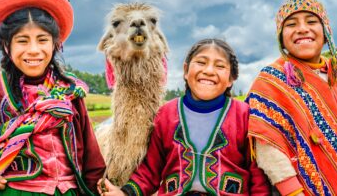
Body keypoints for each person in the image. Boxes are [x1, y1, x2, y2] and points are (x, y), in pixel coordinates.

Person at [0, 0, 105, 195]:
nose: (34, 50)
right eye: (22, 41)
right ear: (7, 46)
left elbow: (90, 156)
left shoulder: (69, 92)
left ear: (55, 45)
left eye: (42, 40)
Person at [98, 38, 270, 195]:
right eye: (201, 62)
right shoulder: (166, 114)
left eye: (220, 66)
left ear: (231, 79)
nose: (209, 71)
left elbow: (257, 174)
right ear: (186, 70)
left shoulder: (243, 115)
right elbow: (150, 171)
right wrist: (126, 193)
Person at [246, 0, 337, 195]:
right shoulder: (270, 81)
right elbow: (268, 144)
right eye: (291, 24)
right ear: (281, 38)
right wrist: (292, 191)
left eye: (311, 21)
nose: (302, 28)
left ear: (326, 31)